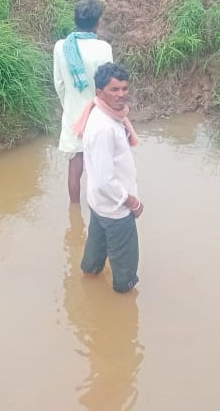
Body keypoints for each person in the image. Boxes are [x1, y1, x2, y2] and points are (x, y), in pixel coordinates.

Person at [72, 62, 143, 293]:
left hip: (99, 204)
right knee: (125, 274)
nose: (121, 94)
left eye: (124, 88)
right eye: (114, 90)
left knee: (93, 262)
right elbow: (105, 178)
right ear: (100, 92)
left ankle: (90, 283)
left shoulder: (100, 112)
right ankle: (123, 303)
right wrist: (131, 201)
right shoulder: (105, 128)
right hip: (116, 210)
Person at [53, 0, 113, 204]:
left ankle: (75, 212)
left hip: (72, 114)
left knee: (75, 168)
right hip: (98, 113)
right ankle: (100, 206)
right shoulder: (103, 48)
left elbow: (59, 84)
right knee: (100, 164)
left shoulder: (61, 47)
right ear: (97, 22)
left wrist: (68, 106)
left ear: (75, 19)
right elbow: (108, 86)